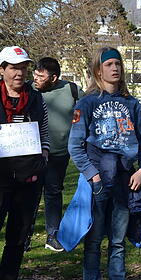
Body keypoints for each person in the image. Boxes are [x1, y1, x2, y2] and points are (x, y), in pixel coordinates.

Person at [68, 47, 141, 280]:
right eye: (109, 64)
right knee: (93, 241)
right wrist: (92, 175)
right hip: (97, 181)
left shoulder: (132, 104)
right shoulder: (86, 103)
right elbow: (75, 145)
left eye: (118, 64)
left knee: (118, 241)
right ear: (98, 70)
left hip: (125, 181)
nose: (114, 68)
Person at [0, 46, 49, 280]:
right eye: (13, 67)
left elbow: (44, 130)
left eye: (23, 67)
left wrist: (44, 153)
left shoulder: (35, 99)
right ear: (2, 70)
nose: (19, 73)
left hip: (28, 178)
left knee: (17, 239)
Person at [32, 56, 83, 253]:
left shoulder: (71, 90)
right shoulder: (29, 90)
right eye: (35, 74)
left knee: (53, 193)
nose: (36, 78)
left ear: (53, 78)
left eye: (41, 76)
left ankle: (53, 235)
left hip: (60, 154)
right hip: (33, 155)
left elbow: (86, 111)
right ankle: (24, 236)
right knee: (30, 195)